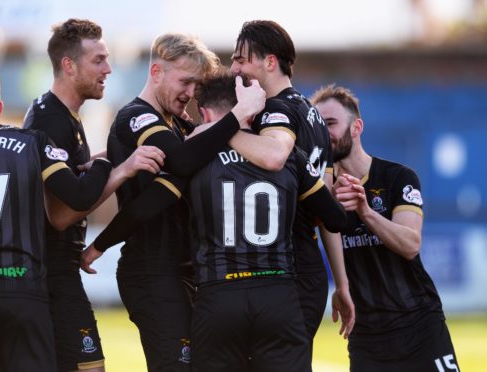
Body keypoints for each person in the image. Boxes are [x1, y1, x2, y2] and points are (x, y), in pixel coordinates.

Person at [0, 65, 153, 371]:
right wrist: (101, 165)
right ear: (0, 106)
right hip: (25, 296)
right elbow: (80, 196)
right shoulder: (34, 143)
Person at [82, 34, 265, 371]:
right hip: (152, 271)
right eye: (185, 81)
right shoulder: (137, 116)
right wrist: (238, 115)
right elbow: (182, 161)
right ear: (156, 72)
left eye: (197, 84)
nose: (192, 93)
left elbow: (197, 154)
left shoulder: (179, 123)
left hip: (185, 270)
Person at [23, 18, 164, 372]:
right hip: (50, 275)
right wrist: (120, 170)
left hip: (54, 273)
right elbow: (59, 215)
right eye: (98, 60)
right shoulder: (51, 120)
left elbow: (79, 177)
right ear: (69, 65)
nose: (109, 68)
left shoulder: (60, 114)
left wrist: (112, 159)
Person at [187, 71, 349, 371]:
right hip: (278, 295)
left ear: (206, 114)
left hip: (218, 294)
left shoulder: (195, 154)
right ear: (254, 110)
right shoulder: (289, 155)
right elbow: (336, 219)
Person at [311, 84, 459, 372]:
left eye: (331, 124)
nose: (324, 133)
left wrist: (365, 211)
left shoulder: (397, 178)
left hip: (419, 325)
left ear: (356, 127)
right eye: (318, 126)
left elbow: (410, 244)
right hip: (366, 336)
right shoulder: (322, 192)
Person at [227, 20, 355, 353]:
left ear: (269, 62)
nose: (233, 68)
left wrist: (220, 130)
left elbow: (273, 154)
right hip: (307, 267)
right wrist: (340, 283)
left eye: (241, 59)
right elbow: (325, 207)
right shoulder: (311, 114)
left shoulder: (275, 111)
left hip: (282, 267)